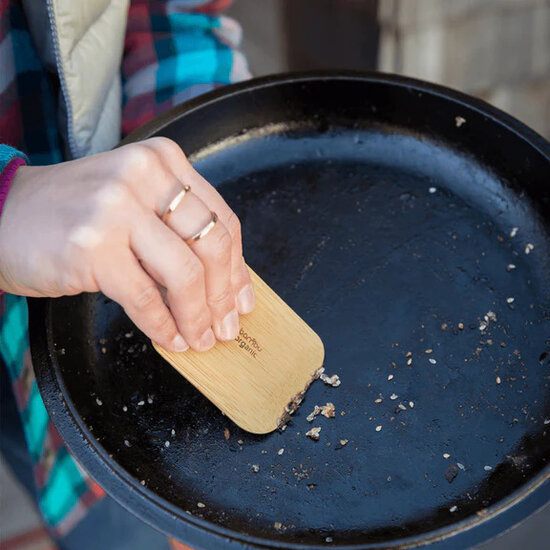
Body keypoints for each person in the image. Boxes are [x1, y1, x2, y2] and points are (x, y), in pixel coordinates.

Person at [0, 1, 253, 548]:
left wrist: (180, 161)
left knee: (121, 521)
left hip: (102, 321)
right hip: (17, 354)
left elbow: (175, 14)